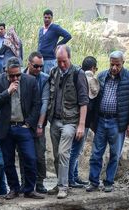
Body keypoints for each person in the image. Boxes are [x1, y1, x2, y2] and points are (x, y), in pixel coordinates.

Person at [0, 57, 42, 200]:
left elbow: (37, 104)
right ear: (6, 72)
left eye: (18, 75)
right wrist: (8, 91)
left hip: (23, 127)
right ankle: (14, 189)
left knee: (30, 158)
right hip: (6, 127)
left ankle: (30, 189)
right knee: (8, 160)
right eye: (12, 75)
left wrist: (29, 123)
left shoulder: (30, 81)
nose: (15, 78)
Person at [87, 50, 129, 193]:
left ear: (123, 63)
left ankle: (109, 182)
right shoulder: (102, 76)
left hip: (117, 123)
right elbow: (95, 98)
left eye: (117, 65)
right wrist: (92, 121)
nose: (114, 68)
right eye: (112, 64)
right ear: (109, 62)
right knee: (96, 153)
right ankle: (93, 182)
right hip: (101, 120)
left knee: (115, 154)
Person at [43, 45, 88, 199]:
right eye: (59, 61)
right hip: (55, 121)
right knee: (56, 155)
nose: (62, 64)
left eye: (64, 61)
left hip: (70, 121)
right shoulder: (53, 72)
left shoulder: (78, 74)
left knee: (63, 153)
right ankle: (59, 183)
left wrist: (81, 125)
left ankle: (63, 186)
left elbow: (83, 101)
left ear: (69, 58)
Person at [67, 55, 100, 189]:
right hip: (83, 122)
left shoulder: (76, 76)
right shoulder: (91, 81)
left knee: (75, 150)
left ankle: (74, 176)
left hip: (73, 119)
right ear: (93, 68)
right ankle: (70, 179)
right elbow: (90, 103)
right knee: (75, 151)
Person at [25, 52, 49, 194]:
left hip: (39, 122)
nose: (39, 69)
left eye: (41, 66)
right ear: (29, 64)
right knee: (25, 155)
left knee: (39, 154)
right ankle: (26, 182)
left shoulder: (44, 79)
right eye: (36, 66)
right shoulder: (19, 75)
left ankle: (39, 181)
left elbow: (44, 102)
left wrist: (40, 124)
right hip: (23, 123)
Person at [37, 9, 72, 76]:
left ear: (52, 18)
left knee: (49, 79)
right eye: (45, 17)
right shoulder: (41, 29)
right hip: (41, 59)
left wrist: (57, 46)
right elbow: (40, 43)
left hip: (50, 59)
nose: (47, 19)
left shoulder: (55, 28)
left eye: (49, 18)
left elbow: (68, 36)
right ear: (43, 18)